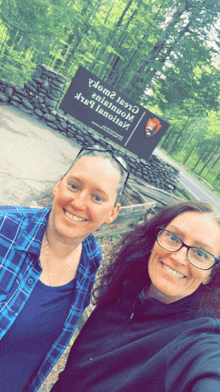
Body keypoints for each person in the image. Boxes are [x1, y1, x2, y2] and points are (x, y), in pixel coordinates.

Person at [51, 201, 220, 392]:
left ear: (211, 274)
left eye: (200, 253)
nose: (178, 258)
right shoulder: (125, 290)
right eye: (173, 237)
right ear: (156, 238)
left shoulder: (199, 342)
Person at [0, 145, 129, 392]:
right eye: (74, 186)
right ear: (58, 184)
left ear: (112, 213)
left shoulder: (91, 260)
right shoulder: (5, 227)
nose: (78, 202)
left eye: (97, 197)